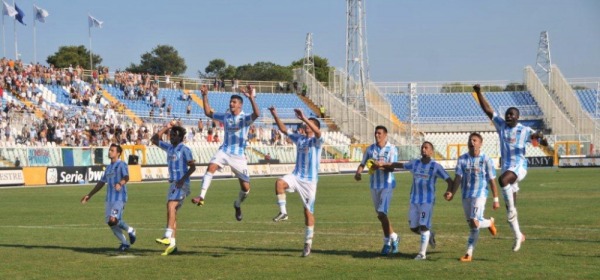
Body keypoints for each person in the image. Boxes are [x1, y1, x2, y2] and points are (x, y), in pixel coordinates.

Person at [473, 84, 548, 252]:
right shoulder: (501, 126)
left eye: (511, 114)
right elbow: (488, 110)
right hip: (507, 167)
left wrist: (541, 138)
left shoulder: (525, 130)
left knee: (503, 180)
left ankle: (512, 209)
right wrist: (478, 93)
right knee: (510, 212)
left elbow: (539, 140)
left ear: (517, 117)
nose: (508, 116)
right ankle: (518, 235)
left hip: (519, 166)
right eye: (507, 114)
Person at [191, 84, 260, 221]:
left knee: (246, 188)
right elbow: (208, 113)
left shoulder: (244, 118)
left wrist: (251, 98)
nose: (231, 103)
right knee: (211, 166)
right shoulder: (226, 116)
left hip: (239, 156)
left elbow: (257, 114)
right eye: (230, 101)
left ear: (240, 105)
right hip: (224, 150)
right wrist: (204, 95)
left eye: (234, 102)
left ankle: (237, 204)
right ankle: (202, 196)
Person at [269, 107, 323, 257]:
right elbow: (284, 129)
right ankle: (283, 212)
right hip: (296, 176)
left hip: (309, 182)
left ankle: (308, 242)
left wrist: (305, 118)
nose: (305, 126)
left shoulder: (317, 141)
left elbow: (318, 133)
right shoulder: (300, 139)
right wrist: (275, 114)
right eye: (305, 124)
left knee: (308, 212)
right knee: (279, 182)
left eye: (309, 124)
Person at [386, 141, 453, 260]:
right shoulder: (415, 163)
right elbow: (400, 165)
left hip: (427, 202)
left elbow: (449, 180)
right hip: (414, 200)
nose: (424, 150)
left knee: (423, 225)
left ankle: (422, 254)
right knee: (413, 227)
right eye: (422, 148)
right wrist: (385, 164)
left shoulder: (436, 166)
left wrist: (449, 191)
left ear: (431, 151)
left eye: (426, 148)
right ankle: (430, 235)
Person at [444, 133, 499, 262]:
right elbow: (458, 177)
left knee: (475, 220)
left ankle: (469, 253)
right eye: (470, 140)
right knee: (472, 225)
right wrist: (452, 192)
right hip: (466, 195)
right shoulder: (462, 159)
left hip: (480, 194)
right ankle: (488, 223)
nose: (472, 142)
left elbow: (491, 180)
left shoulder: (486, 159)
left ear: (480, 143)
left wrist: (496, 199)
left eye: (475, 140)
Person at [151, 121, 196, 256]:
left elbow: (193, 167)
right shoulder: (169, 148)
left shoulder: (185, 150)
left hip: (182, 184)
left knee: (171, 206)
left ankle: (167, 235)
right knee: (172, 211)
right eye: (170, 135)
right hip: (173, 184)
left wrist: (183, 179)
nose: (171, 137)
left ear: (180, 137)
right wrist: (167, 127)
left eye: (174, 135)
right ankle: (172, 245)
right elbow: (154, 139)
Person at [81, 144, 136, 252]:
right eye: (109, 150)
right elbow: (101, 182)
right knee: (110, 222)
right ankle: (125, 243)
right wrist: (89, 195)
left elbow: (127, 177)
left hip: (119, 197)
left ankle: (130, 230)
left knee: (113, 219)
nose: (109, 152)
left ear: (118, 153)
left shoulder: (122, 164)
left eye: (112, 150)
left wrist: (120, 183)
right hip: (109, 199)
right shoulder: (108, 167)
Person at [354, 126, 400, 256]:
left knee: (381, 212)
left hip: (387, 184)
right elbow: (363, 163)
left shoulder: (392, 149)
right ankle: (395, 237)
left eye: (379, 133)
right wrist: (358, 173)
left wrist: (380, 166)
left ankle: (387, 242)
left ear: (385, 135)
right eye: (376, 133)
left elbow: (393, 168)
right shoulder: (370, 149)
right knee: (381, 216)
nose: (377, 135)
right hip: (374, 185)